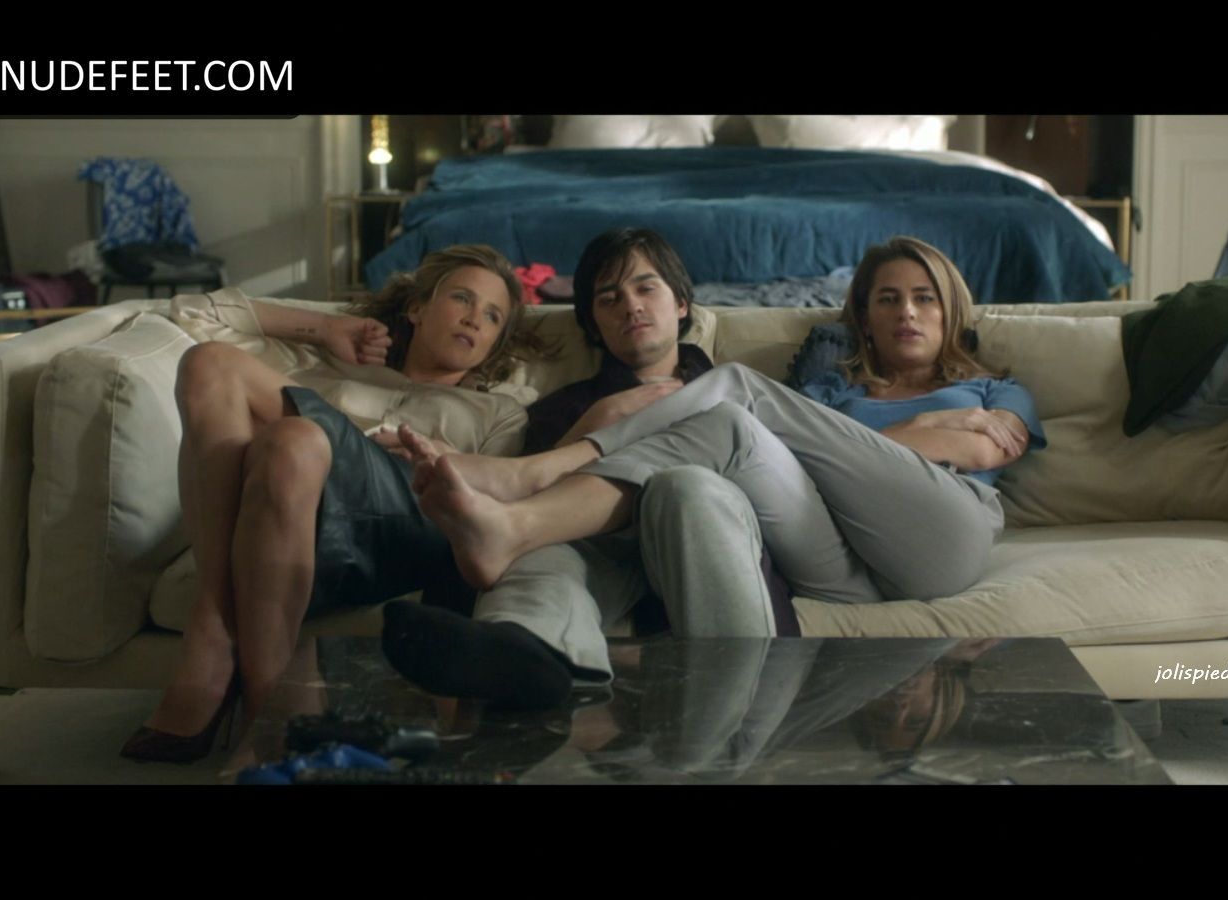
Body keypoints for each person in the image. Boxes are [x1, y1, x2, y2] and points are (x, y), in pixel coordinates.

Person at [402, 235, 1047, 683]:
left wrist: (911, 428)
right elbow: (795, 458)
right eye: (887, 299)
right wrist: (922, 428)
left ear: (951, 309)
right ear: (864, 316)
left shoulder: (995, 386)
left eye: (924, 297)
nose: (906, 311)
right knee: (731, 421)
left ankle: (530, 483)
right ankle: (522, 572)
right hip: (842, 559)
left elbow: (984, 445)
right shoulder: (831, 392)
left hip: (941, 536)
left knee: (739, 389)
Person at [122, 244, 532, 762]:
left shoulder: (500, 411)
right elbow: (190, 312)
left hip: (407, 520)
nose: (474, 318)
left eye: (492, 316)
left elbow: (499, 502)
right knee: (262, 414)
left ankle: (214, 628)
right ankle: (273, 714)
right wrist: (324, 328)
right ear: (416, 308)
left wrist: (442, 457)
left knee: (292, 429)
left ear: (495, 343)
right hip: (299, 515)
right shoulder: (330, 364)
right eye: (462, 299)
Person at [381, 228, 789, 711]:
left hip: (703, 530)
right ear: (594, 323)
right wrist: (589, 430)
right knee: (539, 557)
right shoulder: (563, 410)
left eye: (646, 288)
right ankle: (522, 663)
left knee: (687, 487)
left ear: (682, 304)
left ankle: (742, 720)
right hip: (602, 553)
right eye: (609, 299)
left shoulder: (740, 395)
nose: (630, 306)